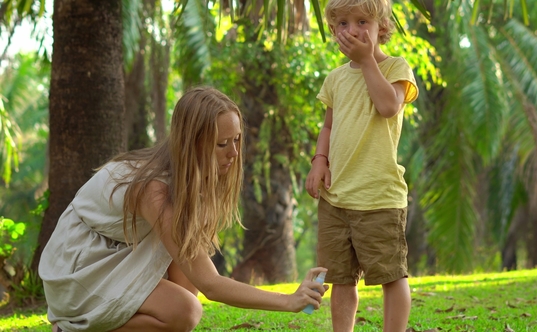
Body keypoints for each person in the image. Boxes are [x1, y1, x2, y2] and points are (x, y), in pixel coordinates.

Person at [39, 86, 328, 332]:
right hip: (81, 264)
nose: (234, 153)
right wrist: (289, 301)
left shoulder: (190, 181)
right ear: (192, 144)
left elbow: (195, 276)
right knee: (186, 310)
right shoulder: (155, 189)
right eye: (222, 144)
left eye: (237, 139)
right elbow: (212, 284)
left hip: (117, 251)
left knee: (186, 293)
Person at [304, 0, 419, 330]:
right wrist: (319, 162)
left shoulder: (396, 67)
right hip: (336, 197)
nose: (351, 30)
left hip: (379, 198)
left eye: (361, 22)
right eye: (342, 24)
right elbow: (328, 126)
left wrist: (368, 60)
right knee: (340, 278)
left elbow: (388, 107)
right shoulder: (335, 79)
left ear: (381, 27)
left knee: (391, 276)